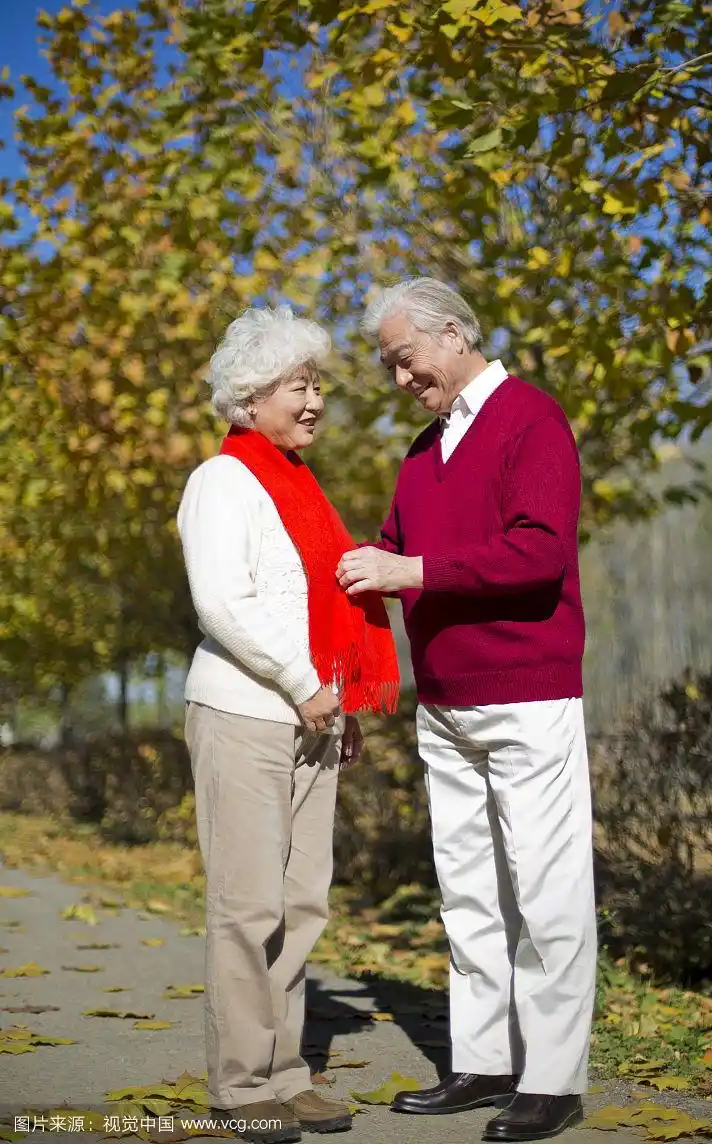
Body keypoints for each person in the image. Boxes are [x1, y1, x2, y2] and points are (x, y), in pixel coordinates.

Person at [336, 278, 596, 1144]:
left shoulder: (532, 418)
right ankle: (484, 1063)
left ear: (452, 336)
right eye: (390, 366)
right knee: (469, 896)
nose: (401, 378)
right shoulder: (421, 451)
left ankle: (553, 1079)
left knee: (548, 894)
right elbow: (395, 547)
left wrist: (410, 573)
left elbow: (538, 550)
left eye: (404, 359)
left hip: (528, 695)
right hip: (444, 703)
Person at [177, 304, 400, 1144]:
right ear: (250, 394)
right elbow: (222, 603)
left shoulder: (302, 488)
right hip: (244, 712)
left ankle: (287, 1072)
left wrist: (335, 701)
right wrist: (308, 683)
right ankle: (239, 1084)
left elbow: (318, 608)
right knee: (247, 907)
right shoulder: (223, 481)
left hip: (310, 718)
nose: (313, 401)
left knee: (302, 902)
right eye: (297, 386)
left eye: (317, 385)